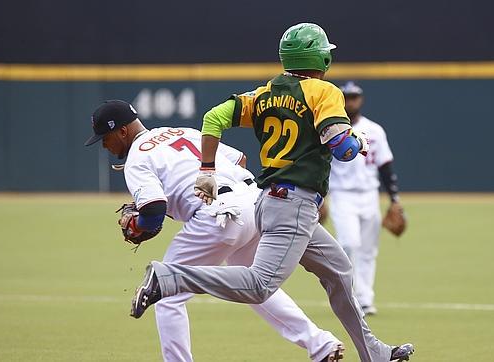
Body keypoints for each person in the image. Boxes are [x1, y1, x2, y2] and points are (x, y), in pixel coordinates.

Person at [129, 23, 415, 362]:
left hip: (273, 201)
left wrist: (207, 169)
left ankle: (374, 353)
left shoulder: (265, 94)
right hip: (293, 203)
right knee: (259, 285)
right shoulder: (324, 92)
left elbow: (213, 117)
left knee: (339, 271)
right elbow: (341, 147)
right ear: (321, 56)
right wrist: (357, 141)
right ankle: (170, 277)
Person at [84, 100, 345, 362]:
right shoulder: (183, 132)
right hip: (256, 205)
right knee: (255, 286)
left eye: (105, 138)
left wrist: (138, 225)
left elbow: (153, 211)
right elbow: (239, 158)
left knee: (166, 291)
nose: (105, 145)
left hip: (218, 217)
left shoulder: (137, 158)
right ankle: (321, 344)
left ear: (122, 131)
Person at [326, 81, 404, 316]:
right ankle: (347, 295)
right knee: (349, 244)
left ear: (360, 100)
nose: (351, 101)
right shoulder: (331, 128)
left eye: (355, 97)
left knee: (368, 250)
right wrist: (320, 197)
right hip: (341, 195)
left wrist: (394, 198)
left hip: (370, 195)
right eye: (347, 97)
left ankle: (366, 298)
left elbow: (385, 165)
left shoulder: (375, 130)